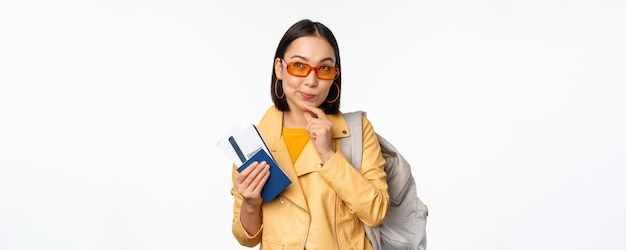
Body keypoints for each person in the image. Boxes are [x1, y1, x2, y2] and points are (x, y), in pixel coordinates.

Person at [230, 19, 390, 249]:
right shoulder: (253, 142)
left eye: (324, 68)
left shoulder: (357, 130)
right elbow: (247, 238)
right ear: (279, 69)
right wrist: (250, 204)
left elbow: (376, 212)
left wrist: (328, 153)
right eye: (299, 66)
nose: (311, 81)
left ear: (334, 76)